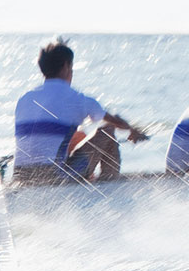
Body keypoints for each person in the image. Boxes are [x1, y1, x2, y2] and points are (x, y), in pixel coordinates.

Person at [12, 38, 148, 184]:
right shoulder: (78, 99)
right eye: (71, 67)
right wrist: (133, 131)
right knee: (107, 131)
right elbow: (117, 123)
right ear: (65, 66)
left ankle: (93, 181)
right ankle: (109, 188)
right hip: (54, 178)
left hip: (20, 178)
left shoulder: (25, 99)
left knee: (75, 137)